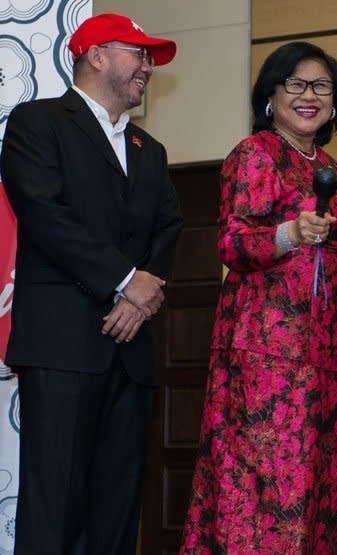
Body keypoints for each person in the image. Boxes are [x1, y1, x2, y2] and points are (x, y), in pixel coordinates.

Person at [180, 41, 337, 554]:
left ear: (336, 101)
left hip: (324, 350)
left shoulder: (332, 165)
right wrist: (290, 233)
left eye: (322, 87)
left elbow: (331, 251)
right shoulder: (256, 154)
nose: (309, 95)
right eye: (296, 84)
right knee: (267, 491)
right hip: (267, 352)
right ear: (271, 95)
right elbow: (230, 242)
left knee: (316, 489)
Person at [0, 13, 183, 555]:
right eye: (139, 53)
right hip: (62, 345)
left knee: (117, 511)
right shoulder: (38, 123)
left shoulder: (151, 148)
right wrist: (126, 281)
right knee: (53, 507)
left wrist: (142, 296)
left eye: (151, 57)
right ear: (96, 54)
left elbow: (169, 226)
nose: (148, 66)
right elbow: (44, 214)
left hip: (131, 353)